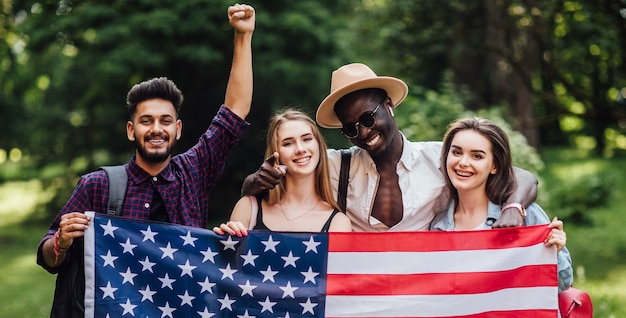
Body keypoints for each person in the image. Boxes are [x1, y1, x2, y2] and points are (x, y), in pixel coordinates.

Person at [37, 3, 255, 271]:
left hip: (181, 311)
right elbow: (49, 257)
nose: (156, 129)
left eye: (165, 121)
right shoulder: (96, 186)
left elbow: (235, 111)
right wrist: (61, 241)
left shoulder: (195, 171)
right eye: (146, 121)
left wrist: (243, 36)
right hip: (116, 313)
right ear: (131, 130)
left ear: (178, 128)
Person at [241, 63, 538, 232]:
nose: (364, 132)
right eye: (350, 128)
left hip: (423, 295)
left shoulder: (440, 157)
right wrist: (255, 181)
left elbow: (521, 177)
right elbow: (274, 181)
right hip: (364, 302)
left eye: (368, 118)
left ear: (389, 106)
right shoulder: (333, 166)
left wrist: (513, 208)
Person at [429, 116, 573, 318]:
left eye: (477, 156)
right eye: (456, 152)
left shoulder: (523, 214)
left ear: (494, 165)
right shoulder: (436, 225)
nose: (463, 163)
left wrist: (556, 251)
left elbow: (562, 283)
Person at [214, 109, 352, 235]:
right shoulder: (249, 208)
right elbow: (230, 261)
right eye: (288, 143)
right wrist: (223, 243)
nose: (300, 149)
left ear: (319, 146)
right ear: (276, 153)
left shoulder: (338, 223)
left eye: (307, 139)